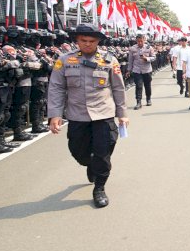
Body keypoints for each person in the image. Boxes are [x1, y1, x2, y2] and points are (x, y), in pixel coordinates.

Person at [47, 24, 128, 208]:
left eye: (92, 41)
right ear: (77, 40)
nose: (87, 44)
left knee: (103, 153)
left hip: (103, 114)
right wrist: (54, 115)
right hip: (77, 115)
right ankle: (90, 163)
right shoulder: (65, 60)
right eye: (83, 40)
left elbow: (118, 88)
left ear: (98, 42)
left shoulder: (109, 60)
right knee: (78, 151)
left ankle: (99, 187)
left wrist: (122, 114)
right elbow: (56, 88)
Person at [126, 33, 156, 110]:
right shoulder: (132, 49)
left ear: (144, 40)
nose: (140, 43)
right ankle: (138, 102)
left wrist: (147, 59)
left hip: (147, 70)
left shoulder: (149, 48)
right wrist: (129, 70)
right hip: (137, 70)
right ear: (136, 41)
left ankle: (148, 99)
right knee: (138, 86)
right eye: (138, 41)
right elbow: (130, 60)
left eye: (141, 41)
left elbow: (154, 57)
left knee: (147, 85)